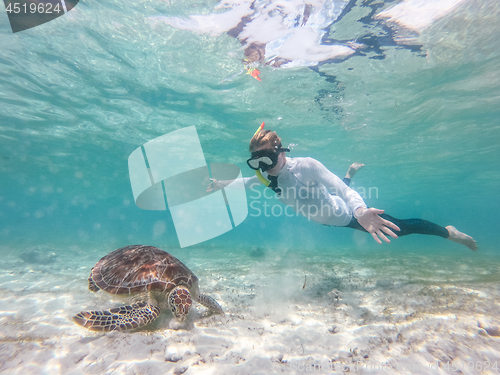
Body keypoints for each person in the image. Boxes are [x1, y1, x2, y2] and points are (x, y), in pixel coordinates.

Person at [209, 127, 478, 251]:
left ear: (281, 152)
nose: (264, 168)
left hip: (345, 216)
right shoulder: (269, 176)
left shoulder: (307, 166)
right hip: (325, 217)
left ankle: (448, 232)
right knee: (329, 197)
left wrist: (360, 211)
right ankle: (351, 172)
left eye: (267, 159)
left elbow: (341, 190)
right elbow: (247, 182)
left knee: (402, 228)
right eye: (257, 163)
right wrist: (220, 185)